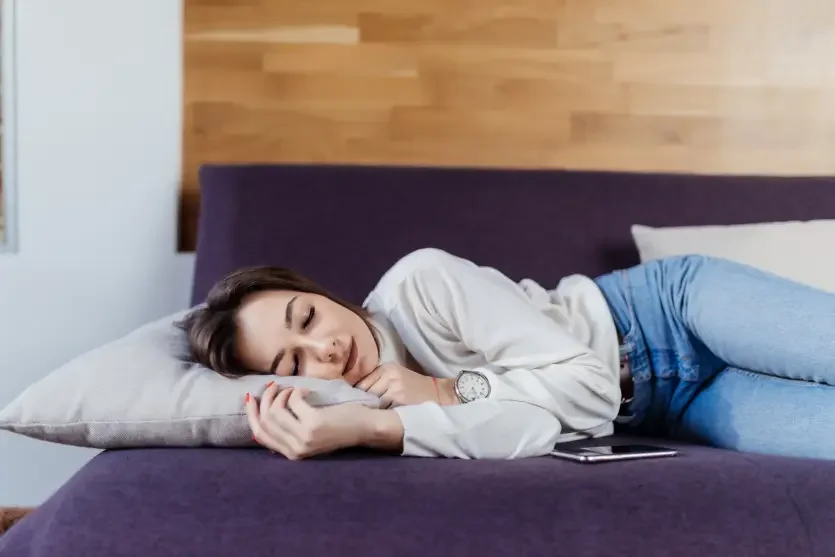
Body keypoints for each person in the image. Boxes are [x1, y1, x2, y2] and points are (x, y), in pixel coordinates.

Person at [179, 248, 835, 461]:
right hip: (673, 409)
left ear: (316, 293)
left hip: (667, 312)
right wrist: (379, 424)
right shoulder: (373, 403)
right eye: (294, 363)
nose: (323, 345)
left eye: (307, 317)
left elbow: (588, 387)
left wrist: (439, 394)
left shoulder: (420, 282)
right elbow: (541, 430)